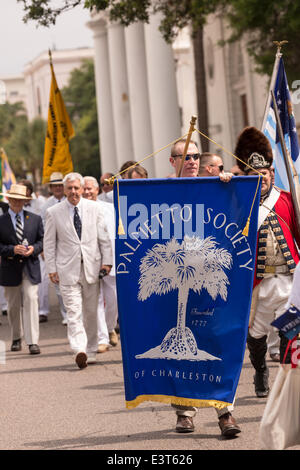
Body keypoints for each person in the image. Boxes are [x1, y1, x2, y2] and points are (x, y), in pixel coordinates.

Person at [169, 139, 240, 438]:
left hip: (212, 278)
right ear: (173, 161)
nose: (192, 161)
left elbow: (239, 219)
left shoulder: (217, 186)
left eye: (196, 156)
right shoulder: (161, 191)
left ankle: (225, 413)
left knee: (218, 343)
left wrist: (230, 186)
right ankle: (185, 413)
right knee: (180, 346)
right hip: (176, 279)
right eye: (185, 156)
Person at [234, 126, 300, 397]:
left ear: (272, 173)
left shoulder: (286, 199)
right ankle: (260, 370)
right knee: (257, 333)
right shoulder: (239, 203)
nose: (260, 178)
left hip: (288, 277)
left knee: (290, 328)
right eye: (254, 175)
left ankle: (287, 378)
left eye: (264, 173)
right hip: (259, 282)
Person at [44, 172, 113, 369]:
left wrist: (107, 261)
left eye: (76, 188)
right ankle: (79, 348)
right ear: (64, 190)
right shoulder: (53, 212)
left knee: (91, 312)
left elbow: (103, 238)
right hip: (67, 270)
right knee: (73, 312)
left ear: (82, 189)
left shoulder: (94, 208)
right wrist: (51, 268)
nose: (73, 192)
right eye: (70, 188)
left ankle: (91, 349)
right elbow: (49, 243)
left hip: (92, 267)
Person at [0, 184, 44, 355]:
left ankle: (33, 341)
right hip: (10, 268)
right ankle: (16, 337)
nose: (18, 202)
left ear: (26, 201)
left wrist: (34, 248)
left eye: (21, 200)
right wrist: (12, 249)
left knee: (32, 300)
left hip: (30, 267)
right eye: (15, 199)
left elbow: (42, 240)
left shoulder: (35, 218)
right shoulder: (1, 221)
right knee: (12, 305)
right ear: (9, 200)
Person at [83, 176, 119, 352]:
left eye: (90, 188)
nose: (87, 191)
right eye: (85, 189)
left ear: (97, 189)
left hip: (110, 262)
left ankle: (110, 326)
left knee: (114, 300)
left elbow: (114, 234)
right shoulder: (79, 210)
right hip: (90, 262)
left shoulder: (110, 209)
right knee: (95, 301)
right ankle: (102, 339)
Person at [40, 172, 68, 324]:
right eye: (55, 186)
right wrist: (45, 250)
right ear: (50, 188)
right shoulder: (45, 206)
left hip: (70, 247)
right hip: (55, 248)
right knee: (58, 284)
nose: (58, 188)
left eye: (60, 185)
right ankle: (65, 315)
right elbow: (43, 230)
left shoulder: (71, 201)